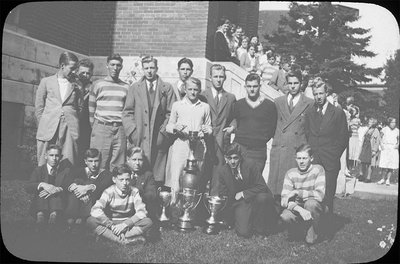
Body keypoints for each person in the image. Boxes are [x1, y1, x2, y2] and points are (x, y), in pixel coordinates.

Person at [122, 55, 176, 187]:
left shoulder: (166, 88)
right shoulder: (135, 88)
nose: (149, 71)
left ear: (157, 68)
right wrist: (133, 132)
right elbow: (127, 112)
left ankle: (155, 200)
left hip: (158, 138)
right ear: (142, 69)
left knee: (157, 174)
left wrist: (163, 134)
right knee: (139, 171)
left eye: (152, 67)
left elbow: (172, 113)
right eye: (146, 68)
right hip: (139, 136)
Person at [210, 143, 278, 238]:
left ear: (240, 157)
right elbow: (223, 193)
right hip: (240, 202)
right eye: (230, 158)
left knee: (263, 197)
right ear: (225, 158)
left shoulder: (250, 165)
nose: (232, 161)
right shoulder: (222, 171)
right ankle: (245, 219)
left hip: (255, 197)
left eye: (235, 158)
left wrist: (243, 193)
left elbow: (262, 186)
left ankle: (260, 229)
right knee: (243, 232)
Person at [268, 70, 314, 200]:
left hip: (296, 151)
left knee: (293, 191)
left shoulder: (309, 103)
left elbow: (310, 131)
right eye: (290, 83)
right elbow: (272, 126)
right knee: (276, 190)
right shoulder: (278, 102)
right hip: (279, 150)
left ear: (301, 84)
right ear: (286, 84)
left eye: (296, 83)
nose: (293, 86)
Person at [165, 77, 212, 203]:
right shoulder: (177, 105)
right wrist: (175, 128)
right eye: (190, 89)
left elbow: (208, 125)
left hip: (199, 146)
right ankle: (174, 209)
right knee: (176, 178)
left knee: (195, 179)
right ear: (184, 89)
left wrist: (208, 130)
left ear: (199, 90)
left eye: (196, 90)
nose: (193, 92)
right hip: (181, 143)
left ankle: (191, 210)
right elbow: (168, 126)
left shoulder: (205, 107)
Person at [304, 81, 348, 214]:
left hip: (330, 162)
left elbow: (343, 138)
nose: (318, 97)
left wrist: (333, 155)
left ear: (326, 93)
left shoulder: (338, 113)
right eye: (315, 94)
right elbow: (307, 134)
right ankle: (313, 228)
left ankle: (326, 231)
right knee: (313, 197)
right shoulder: (310, 111)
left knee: (327, 197)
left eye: (321, 93)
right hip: (314, 163)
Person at [86, 164, 153, 245]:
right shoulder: (109, 192)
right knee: (90, 221)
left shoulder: (134, 191)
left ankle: (111, 236)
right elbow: (95, 210)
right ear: (114, 179)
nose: (124, 183)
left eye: (127, 179)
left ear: (131, 178)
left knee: (148, 222)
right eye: (121, 180)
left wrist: (125, 225)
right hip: (112, 222)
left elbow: (142, 211)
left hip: (127, 222)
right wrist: (111, 225)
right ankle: (122, 240)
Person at [35, 51, 81, 166]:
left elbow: (80, 106)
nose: (75, 71)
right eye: (72, 68)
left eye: (76, 68)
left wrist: (72, 119)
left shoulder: (76, 84)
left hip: (69, 126)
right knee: (45, 160)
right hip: (49, 126)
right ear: (62, 66)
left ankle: (64, 183)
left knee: (68, 160)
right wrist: (44, 123)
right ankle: (45, 182)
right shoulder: (46, 82)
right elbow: (39, 106)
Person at [89, 54, 129, 171]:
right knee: (99, 162)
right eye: (112, 65)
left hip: (120, 129)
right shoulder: (98, 84)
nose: (115, 68)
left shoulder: (126, 87)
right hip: (102, 127)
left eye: (118, 65)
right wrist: (96, 127)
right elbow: (91, 109)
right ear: (107, 66)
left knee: (118, 165)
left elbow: (127, 111)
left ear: (121, 67)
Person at [200, 64, 236, 191]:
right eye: (215, 76)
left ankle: (214, 209)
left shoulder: (230, 98)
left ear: (225, 78)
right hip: (204, 143)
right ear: (210, 78)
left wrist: (232, 127)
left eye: (221, 76)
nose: (218, 79)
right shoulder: (202, 96)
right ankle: (198, 209)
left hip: (221, 143)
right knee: (201, 178)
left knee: (217, 181)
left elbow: (234, 117)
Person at [280, 144, 325, 244]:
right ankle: (299, 231)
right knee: (285, 216)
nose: (301, 161)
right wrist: (300, 210)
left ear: (311, 158)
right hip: (297, 207)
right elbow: (284, 201)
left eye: (304, 158)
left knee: (310, 204)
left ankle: (313, 234)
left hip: (313, 206)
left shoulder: (318, 170)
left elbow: (320, 195)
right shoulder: (290, 173)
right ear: (295, 159)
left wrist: (297, 192)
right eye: (299, 158)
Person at [232, 73, 277, 173]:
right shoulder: (238, 104)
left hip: (258, 150)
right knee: (237, 181)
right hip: (240, 148)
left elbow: (272, 128)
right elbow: (234, 121)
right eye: (249, 86)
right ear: (245, 87)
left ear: (260, 86)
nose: (252, 89)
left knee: (254, 182)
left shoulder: (269, 105)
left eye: (255, 86)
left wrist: (261, 139)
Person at [64, 148, 113, 230]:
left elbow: (102, 186)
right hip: (77, 203)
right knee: (77, 182)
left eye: (96, 161)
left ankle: (80, 218)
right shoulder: (78, 171)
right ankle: (72, 218)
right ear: (85, 161)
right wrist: (77, 188)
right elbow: (66, 182)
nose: (93, 164)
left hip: (94, 203)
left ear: (100, 161)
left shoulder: (106, 174)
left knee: (87, 185)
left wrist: (87, 189)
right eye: (90, 161)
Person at [25, 144, 71, 228]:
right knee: (42, 192)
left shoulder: (65, 171)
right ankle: (40, 215)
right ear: (46, 156)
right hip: (41, 200)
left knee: (57, 194)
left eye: (57, 155)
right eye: (51, 155)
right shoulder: (39, 170)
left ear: (61, 157)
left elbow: (69, 185)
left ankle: (54, 215)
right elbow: (28, 187)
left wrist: (58, 189)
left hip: (57, 201)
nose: (54, 158)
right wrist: (42, 184)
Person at [126, 147, 158, 221]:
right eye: (134, 160)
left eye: (140, 160)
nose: (137, 163)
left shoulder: (148, 175)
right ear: (128, 160)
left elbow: (152, 194)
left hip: (141, 209)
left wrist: (137, 195)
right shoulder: (122, 173)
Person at [75, 59, 94, 165]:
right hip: (71, 125)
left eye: (88, 73)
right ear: (77, 72)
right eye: (83, 72)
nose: (85, 75)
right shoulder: (71, 85)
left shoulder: (93, 88)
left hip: (86, 127)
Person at [358, 117, 381, 183]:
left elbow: (377, 141)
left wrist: (374, 150)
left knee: (370, 163)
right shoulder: (368, 129)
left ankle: (368, 177)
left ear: (374, 123)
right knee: (363, 162)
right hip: (365, 147)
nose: (369, 123)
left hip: (370, 148)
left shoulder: (376, 131)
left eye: (370, 122)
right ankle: (362, 175)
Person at [377, 117, 399, 186]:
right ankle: (383, 178)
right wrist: (381, 145)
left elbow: (398, 140)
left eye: (395, 122)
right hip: (386, 147)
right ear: (389, 123)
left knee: (391, 165)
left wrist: (397, 145)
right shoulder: (384, 129)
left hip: (393, 148)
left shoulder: (397, 131)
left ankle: (388, 179)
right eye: (392, 122)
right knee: (384, 164)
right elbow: (379, 138)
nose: (394, 124)